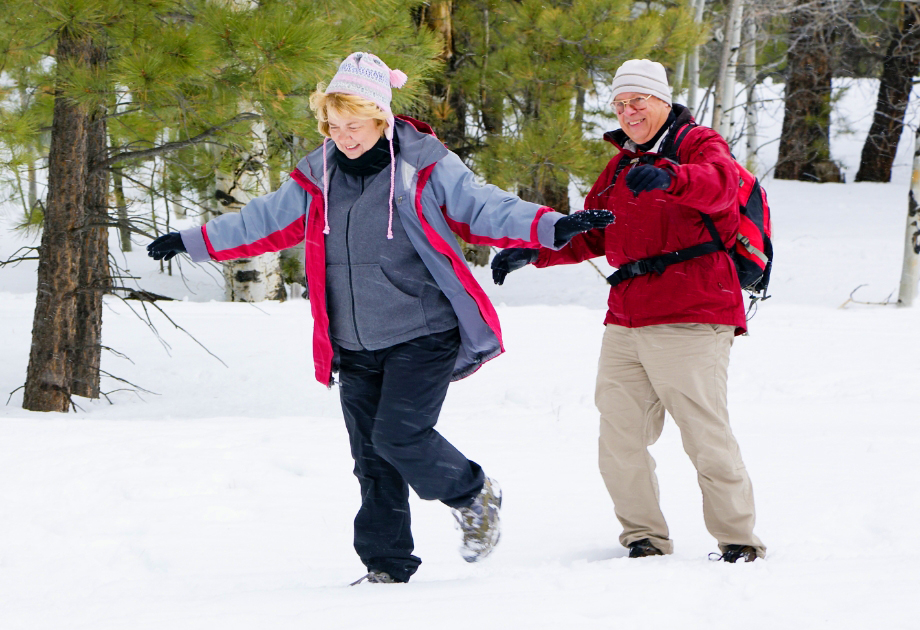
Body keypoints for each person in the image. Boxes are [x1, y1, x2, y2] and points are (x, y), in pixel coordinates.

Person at [147, 52, 613, 584]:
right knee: (371, 458)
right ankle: (386, 567)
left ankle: (472, 492)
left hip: (423, 332)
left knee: (400, 436)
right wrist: (192, 241)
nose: (345, 137)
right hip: (355, 342)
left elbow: (482, 207)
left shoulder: (423, 165)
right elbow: (263, 222)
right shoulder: (318, 176)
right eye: (335, 125)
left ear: (382, 119)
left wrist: (552, 224)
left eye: (356, 125)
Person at [491, 59, 765, 563]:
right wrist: (534, 250)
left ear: (663, 99)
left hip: (692, 309)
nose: (629, 110)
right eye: (620, 102)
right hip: (626, 317)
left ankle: (738, 540)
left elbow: (721, 186)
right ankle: (644, 537)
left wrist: (670, 177)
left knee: (705, 434)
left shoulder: (698, 145)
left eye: (638, 99)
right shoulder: (621, 164)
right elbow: (593, 230)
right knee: (619, 436)